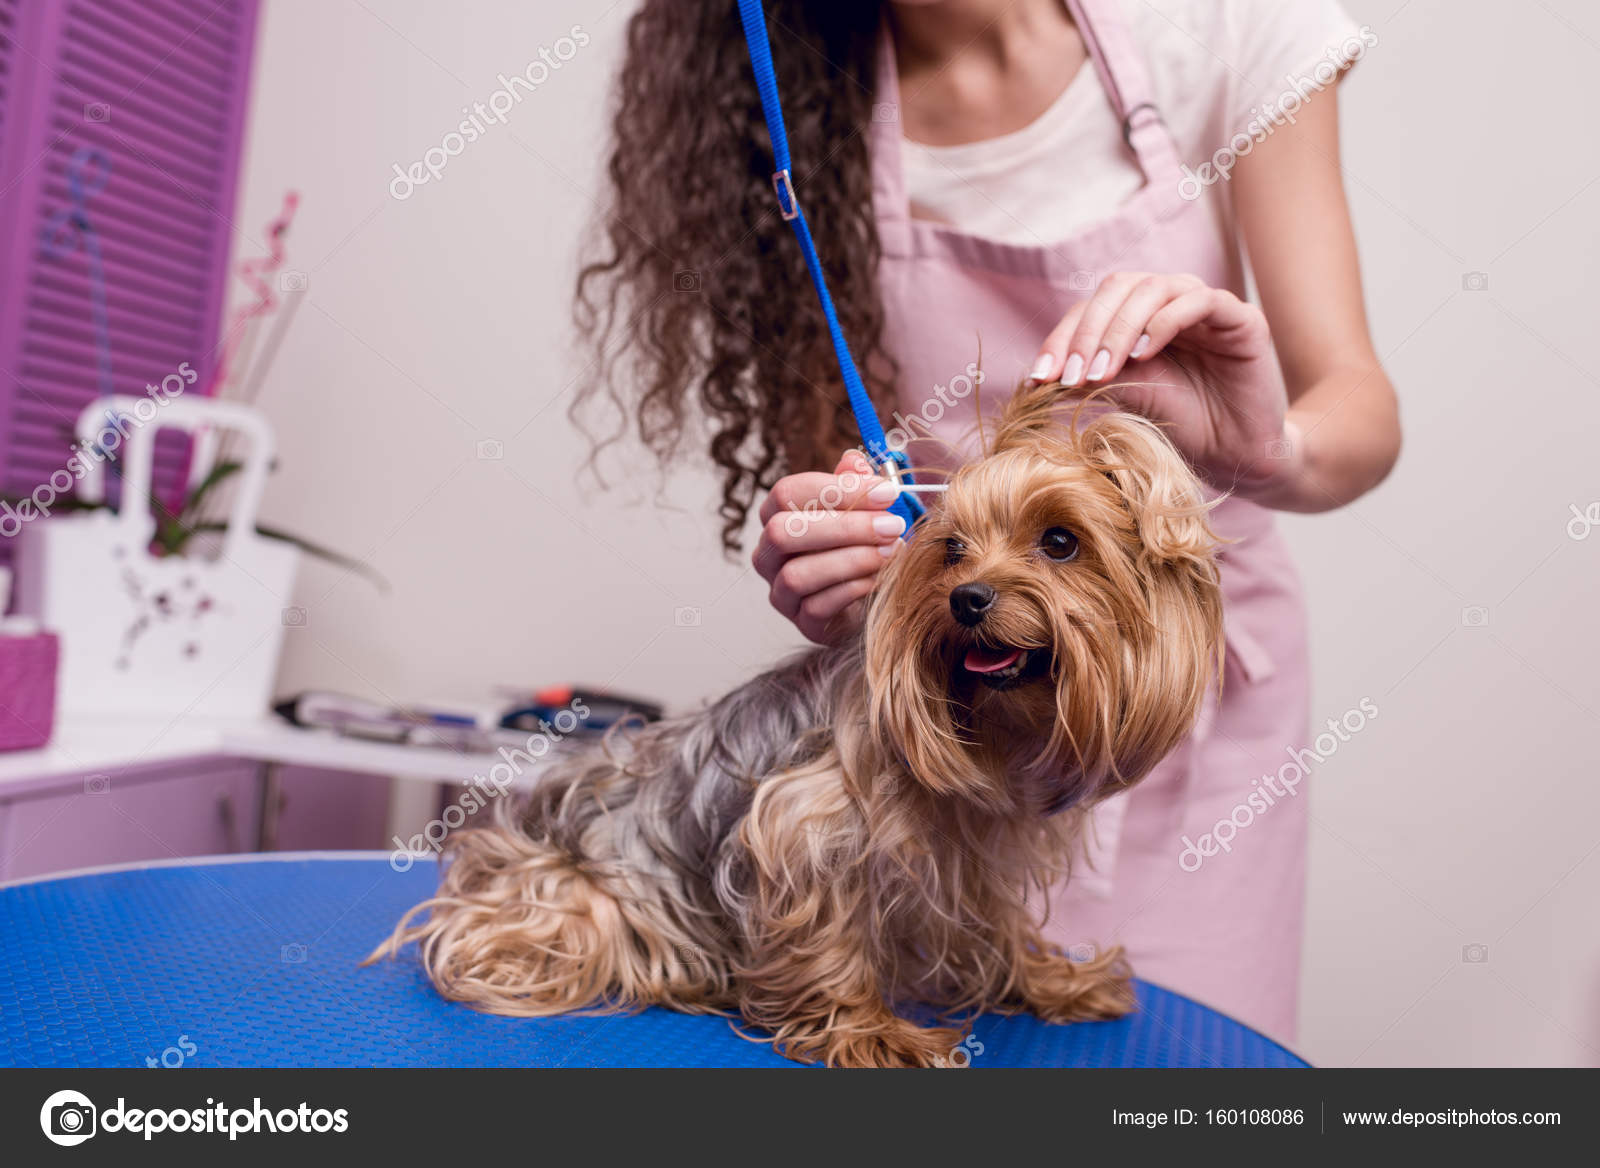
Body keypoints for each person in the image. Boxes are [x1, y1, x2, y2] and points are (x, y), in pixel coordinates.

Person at [573, 0, 1400, 1043]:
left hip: (1191, 728)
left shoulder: (1220, 27)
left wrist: (1259, 446)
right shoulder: (784, 105)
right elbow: (846, 468)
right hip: (950, 737)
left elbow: (1360, 411)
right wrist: (833, 553)